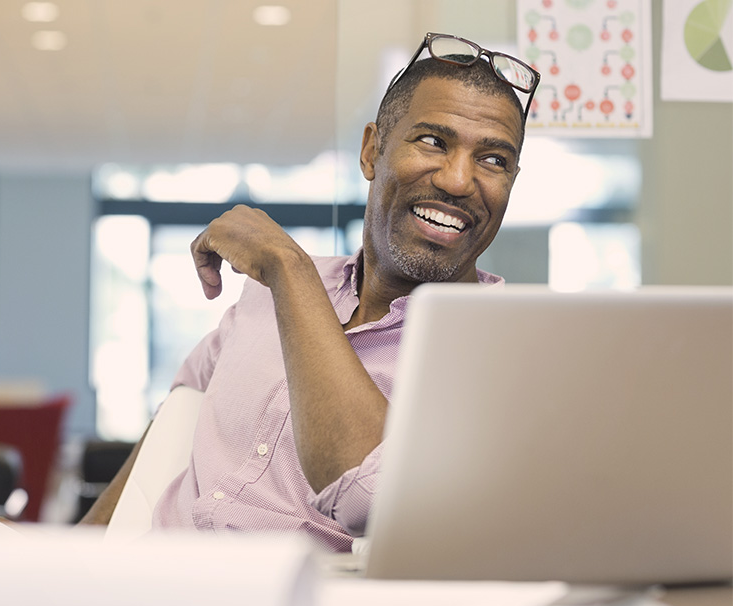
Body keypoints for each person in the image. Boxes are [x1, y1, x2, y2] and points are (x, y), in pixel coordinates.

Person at [79, 33, 540, 552]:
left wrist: (288, 270)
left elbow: (373, 497)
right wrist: (74, 553)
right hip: (144, 581)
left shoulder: (505, 348)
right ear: (372, 151)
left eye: (494, 160)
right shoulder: (261, 298)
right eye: (433, 141)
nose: (459, 180)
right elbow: (177, 417)